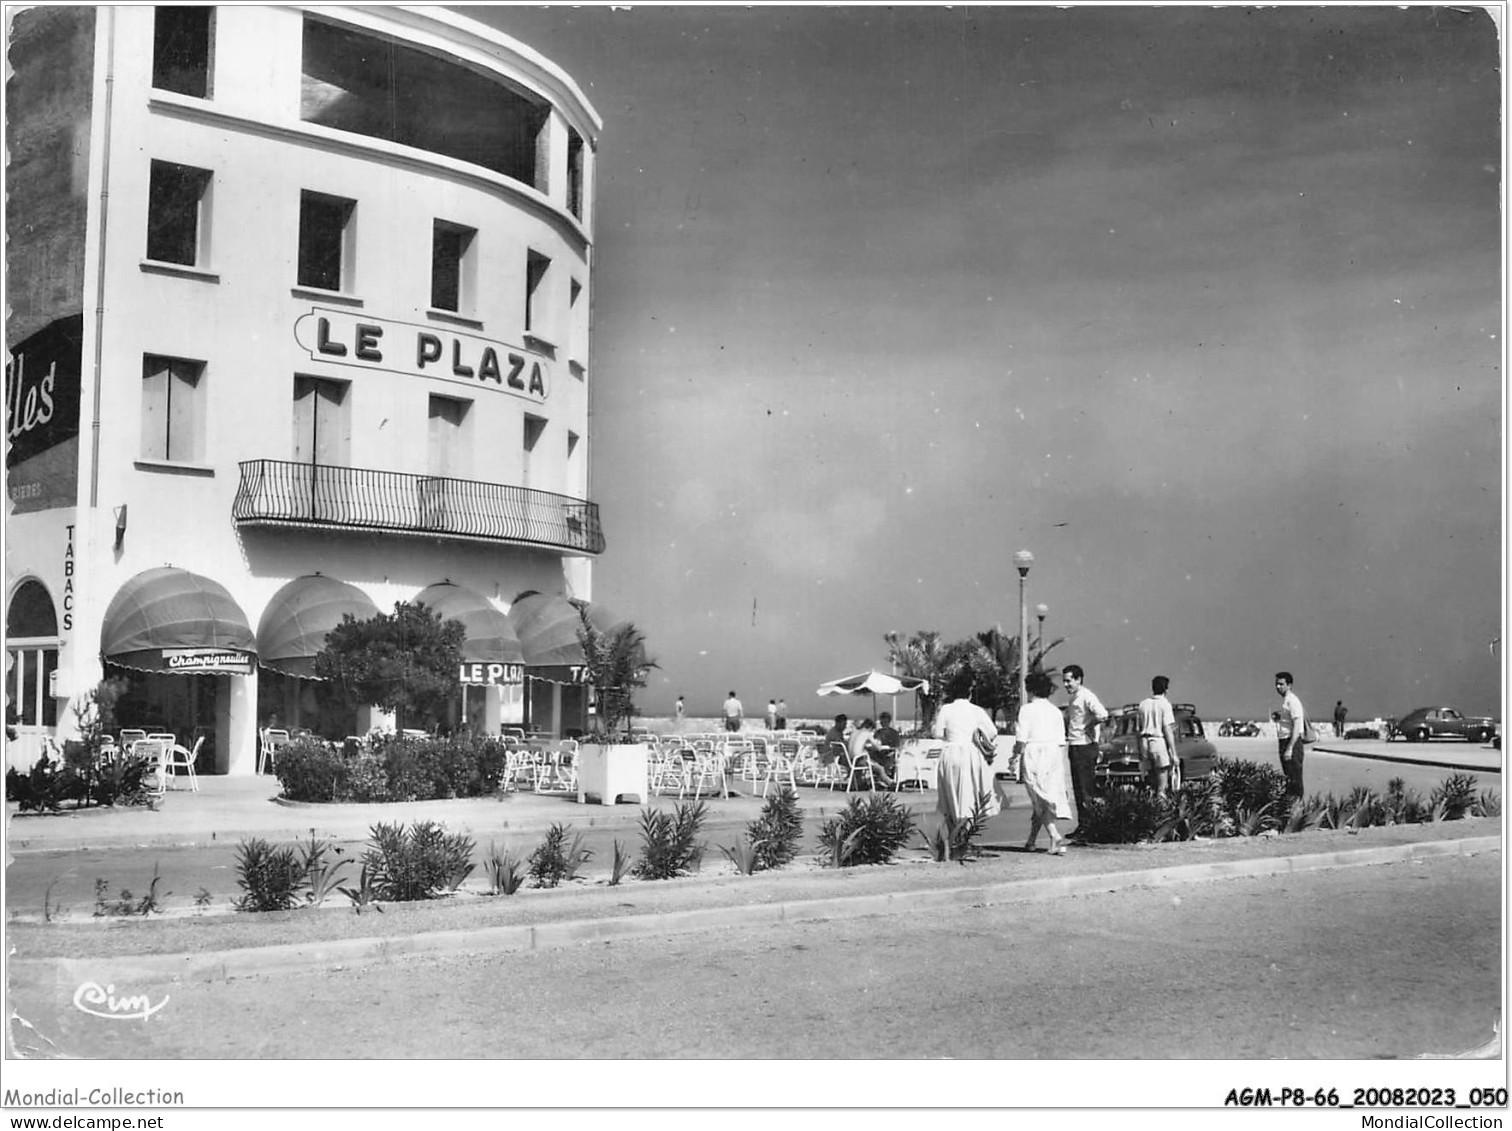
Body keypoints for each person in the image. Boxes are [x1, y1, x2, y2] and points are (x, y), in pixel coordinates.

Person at [932, 670, 1000, 825]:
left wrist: (950, 736)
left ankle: (953, 837)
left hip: (950, 752)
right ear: (969, 691)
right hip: (970, 753)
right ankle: (963, 836)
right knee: (968, 794)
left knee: (950, 796)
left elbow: (937, 733)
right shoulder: (976, 710)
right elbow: (992, 732)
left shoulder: (946, 709)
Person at [1017, 671, 1071, 854]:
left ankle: (1054, 835)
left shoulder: (1026, 710)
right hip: (1054, 755)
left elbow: (1021, 739)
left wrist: (1014, 757)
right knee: (1043, 800)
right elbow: (1061, 743)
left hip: (1034, 754)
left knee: (1039, 801)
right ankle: (1031, 841)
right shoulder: (1056, 712)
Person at [1061, 664, 1108, 836]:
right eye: (1064, 681)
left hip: (1085, 746)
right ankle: (1083, 825)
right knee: (1078, 789)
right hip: (1075, 745)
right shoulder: (1074, 697)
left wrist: (1088, 725)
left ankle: (1089, 827)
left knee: (1086, 788)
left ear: (1078, 679)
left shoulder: (1086, 696)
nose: (1066, 684)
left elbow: (1102, 714)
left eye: (1069, 681)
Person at [1137, 675, 1180, 795]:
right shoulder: (1165, 704)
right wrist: (1173, 753)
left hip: (1144, 742)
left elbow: (1138, 729)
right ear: (1166, 690)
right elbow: (1167, 729)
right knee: (1162, 782)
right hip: (1158, 741)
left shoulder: (1143, 704)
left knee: (1149, 780)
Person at [1276, 672, 1307, 798]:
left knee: (1295, 780)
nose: (1278, 687)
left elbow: (1297, 726)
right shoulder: (1286, 701)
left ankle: (1297, 810)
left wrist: (1289, 748)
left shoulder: (1293, 701)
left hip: (1291, 742)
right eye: (1276, 684)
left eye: (1281, 684)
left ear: (1289, 685)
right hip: (1284, 741)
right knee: (1289, 779)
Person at [847, 718, 894, 788]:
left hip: (850, 759)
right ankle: (891, 784)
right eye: (872, 730)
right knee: (880, 768)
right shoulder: (867, 733)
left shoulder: (854, 732)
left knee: (870, 761)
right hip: (859, 760)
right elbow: (877, 747)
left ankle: (857, 783)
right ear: (869, 727)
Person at [873, 711, 901, 782]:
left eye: (885, 722)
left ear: (889, 722)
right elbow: (875, 743)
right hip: (879, 754)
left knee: (887, 760)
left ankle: (885, 780)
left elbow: (897, 746)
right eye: (882, 722)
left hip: (890, 754)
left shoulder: (894, 733)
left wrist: (890, 750)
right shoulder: (878, 732)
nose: (883, 724)